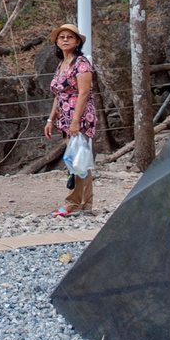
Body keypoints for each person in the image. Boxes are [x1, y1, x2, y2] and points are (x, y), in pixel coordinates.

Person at [43, 23, 96, 216]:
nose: (65, 40)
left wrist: (75, 122)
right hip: (64, 118)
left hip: (79, 118)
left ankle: (73, 203)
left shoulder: (81, 64)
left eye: (69, 37)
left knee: (76, 160)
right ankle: (85, 203)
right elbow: (59, 94)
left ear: (77, 42)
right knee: (81, 159)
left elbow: (83, 94)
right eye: (62, 37)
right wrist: (51, 119)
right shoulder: (61, 65)